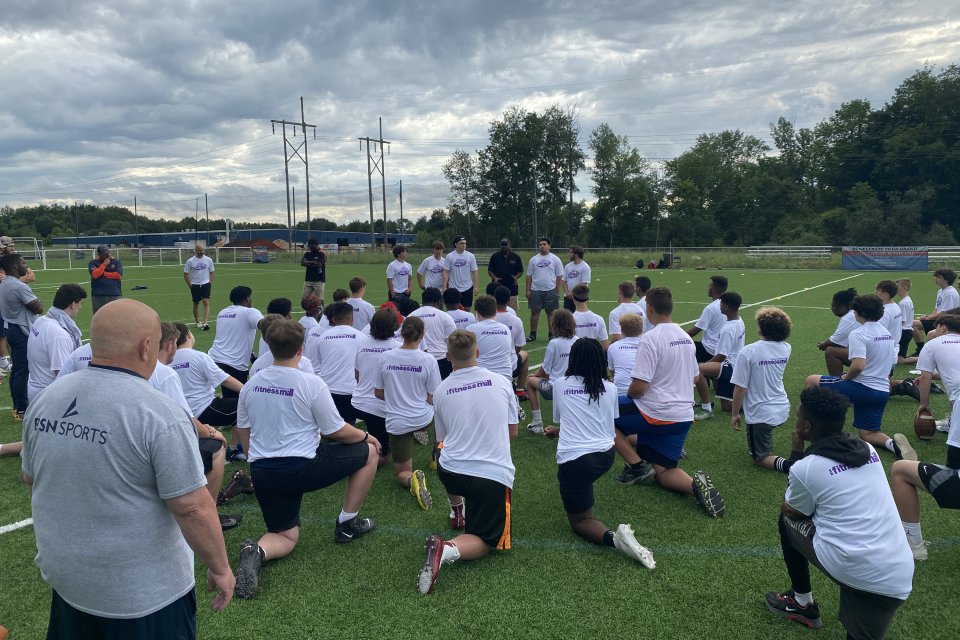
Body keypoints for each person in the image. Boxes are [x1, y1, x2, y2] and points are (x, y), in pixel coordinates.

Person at [20, 299, 234, 636]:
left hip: (68, 579)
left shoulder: (47, 399)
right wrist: (220, 568)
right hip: (141, 595)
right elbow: (192, 507)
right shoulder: (159, 413)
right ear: (147, 346)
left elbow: (32, 481)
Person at [234, 318, 380, 600]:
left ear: (268, 346)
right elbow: (335, 430)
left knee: (286, 536)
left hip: (264, 471)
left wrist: (255, 459)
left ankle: (257, 552)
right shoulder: (310, 383)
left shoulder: (251, 385)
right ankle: (346, 525)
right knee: (371, 453)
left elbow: (242, 430)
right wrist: (365, 436)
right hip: (302, 467)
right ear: (301, 349)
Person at [765, 387, 913, 637]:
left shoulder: (807, 467)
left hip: (862, 572)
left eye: (799, 417)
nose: (796, 421)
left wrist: (796, 453)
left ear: (808, 427)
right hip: (898, 571)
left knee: (786, 519)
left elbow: (791, 510)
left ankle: (803, 603)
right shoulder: (868, 450)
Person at [417, 329, 518, 595]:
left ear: (448, 356)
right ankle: (447, 548)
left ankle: (456, 508)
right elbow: (513, 432)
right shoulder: (500, 381)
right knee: (485, 541)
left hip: (451, 471)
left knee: (445, 452)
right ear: (478, 353)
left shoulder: (440, 391)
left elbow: (441, 439)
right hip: (489, 476)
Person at [612, 287, 725, 518]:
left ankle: (636, 466)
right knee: (664, 471)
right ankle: (696, 487)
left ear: (649, 308)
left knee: (603, 414)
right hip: (683, 416)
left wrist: (628, 397)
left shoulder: (650, 338)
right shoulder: (686, 338)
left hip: (654, 412)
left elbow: (638, 387)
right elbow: (695, 376)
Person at [545, 339, 655, 568]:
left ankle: (617, 540)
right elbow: (603, 421)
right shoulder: (610, 387)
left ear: (573, 359)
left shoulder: (561, 384)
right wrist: (559, 432)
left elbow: (562, 417)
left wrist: (557, 430)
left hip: (575, 460)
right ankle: (587, 501)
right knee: (584, 483)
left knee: (581, 521)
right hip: (605, 456)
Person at [151, 321, 240, 531]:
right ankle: (208, 516)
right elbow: (185, 418)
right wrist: (210, 432)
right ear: (171, 344)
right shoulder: (166, 372)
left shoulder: (145, 368)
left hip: (154, 436)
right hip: (176, 434)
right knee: (217, 447)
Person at [805, 294, 915, 460]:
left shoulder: (858, 333)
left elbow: (858, 365)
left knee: (811, 380)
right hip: (882, 392)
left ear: (857, 312)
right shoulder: (885, 333)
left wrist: (846, 377)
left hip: (863, 388)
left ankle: (814, 428)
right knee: (868, 433)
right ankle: (893, 445)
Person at [892, 313, 960, 560]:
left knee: (901, 469)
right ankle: (948, 423)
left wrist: (923, 405)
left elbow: (927, 377)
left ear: (942, 327)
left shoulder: (933, 343)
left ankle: (914, 546)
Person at [374, 316, 441, 511]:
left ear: (402, 333)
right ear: (422, 335)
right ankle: (437, 452)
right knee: (440, 412)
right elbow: (432, 396)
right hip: (423, 417)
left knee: (402, 473)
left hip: (397, 423)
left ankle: (413, 479)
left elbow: (378, 393)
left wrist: (398, 399)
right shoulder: (428, 359)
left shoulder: (385, 357)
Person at [730, 307, 795, 472]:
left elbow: (739, 388)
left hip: (761, 415)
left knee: (760, 458)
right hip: (782, 407)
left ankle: (792, 466)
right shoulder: (786, 347)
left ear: (761, 328)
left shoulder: (748, 352)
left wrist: (735, 413)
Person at [352, 308, 402, 465]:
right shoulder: (398, 348)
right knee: (385, 456)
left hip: (359, 402)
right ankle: (358, 460)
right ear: (395, 326)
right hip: (381, 407)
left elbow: (357, 375)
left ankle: (366, 440)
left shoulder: (361, 345)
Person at [0, 252, 43, 420]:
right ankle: (22, 409)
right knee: (23, 371)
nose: (26, 265)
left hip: (12, 328)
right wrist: (38, 301)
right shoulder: (17, 286)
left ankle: (17, 406)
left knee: (18, 369)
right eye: (23, 262)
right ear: (14, 266)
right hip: (21, 331)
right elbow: (37, 307)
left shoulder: (6, 283)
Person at [27, 284, 86, 401]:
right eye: (80, 304)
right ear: (73, 305)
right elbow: (62, 375)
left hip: (36, 388)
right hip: (48, 395)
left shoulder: (41, 320)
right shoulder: (59, 334)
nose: (80, 308)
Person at [308, 302, 364, 423]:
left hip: (327, 389)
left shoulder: (323, 336)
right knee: (348, 425)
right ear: (351, 318)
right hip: (351, 390)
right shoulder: (361, 337)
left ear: (333, 318)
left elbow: (321, 360)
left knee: (330, 425)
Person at [526, 310, 578, 434]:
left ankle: (537, 423)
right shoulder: (578, 340)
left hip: (555, 388)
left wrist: (536, 375)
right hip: (575, 386)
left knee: (530, 381)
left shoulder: (554, 343)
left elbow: (545, 370)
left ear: (555, 325)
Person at [694, 291, 744, 419]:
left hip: (729, 365)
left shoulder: (728, 328)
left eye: (721, 304)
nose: (719, 306)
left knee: (697, 370)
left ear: (726, 307)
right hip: (734, 363)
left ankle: (706, 408)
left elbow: (721, 356)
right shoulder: (739, 320)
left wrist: (705, 366)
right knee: (726, 406)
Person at [467, 295, 528, 395]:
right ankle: (519, 390)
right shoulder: (505, 329)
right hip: (505, 377)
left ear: (477, 313)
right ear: (495, 312)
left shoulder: (470, 329)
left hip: (479, 378)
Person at [208, 286, 263, 393]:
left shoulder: (222, 312)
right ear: (247, 299)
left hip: (214, 359)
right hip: (234, 364)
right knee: (238, 401)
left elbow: (231, 335)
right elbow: (265, 325)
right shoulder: (249, 312)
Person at [408, 287, 457, 379]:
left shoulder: (411, 316)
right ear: (439, 301)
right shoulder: (445, 316)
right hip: (442, 361)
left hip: (417, 361)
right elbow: (453, 342)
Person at [911, 267, 960, 355]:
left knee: (913, 324)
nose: (935, 279)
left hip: (946, 321)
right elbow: (937, 309)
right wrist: (927, 317)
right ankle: (921, 350)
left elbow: (944, 313)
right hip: (939, 319)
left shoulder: (950, 293)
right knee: (912, 324)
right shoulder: (941, 291)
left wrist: (927, 318)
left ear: (946, 279)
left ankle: (923, 352)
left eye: (938, 277)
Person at [525, 237, 564, 341]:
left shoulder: (555, 259)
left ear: (549, 246)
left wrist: (556, 289)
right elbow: (529, 276)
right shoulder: (533, 259)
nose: (542, 246)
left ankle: (551, 334)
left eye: (544, 244)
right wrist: (528, 290)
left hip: (551, 290)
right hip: (535, 290)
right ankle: (533, 334)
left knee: (551, 313)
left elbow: (559, 276)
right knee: (534, 313)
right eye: (540, 244)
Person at [686, 275, 728, 363]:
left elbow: (695, 331)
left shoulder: (711, 308)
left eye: (709, 286)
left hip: (710, 350)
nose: (707, 288)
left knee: (682, 347)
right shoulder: (728, 305)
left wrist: (677, 338)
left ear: (714, 289)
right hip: (723, 350)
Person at [818, 288, 858, 376]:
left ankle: (836, 382)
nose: (832, 308)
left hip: (870, 361)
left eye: (833, 305)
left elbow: (835, 341)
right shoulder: (855, 312)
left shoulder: (849, 317)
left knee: (831, 351)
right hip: (881, 359)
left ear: (841, 307)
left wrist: (823, 344)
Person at [607, 313, 643, 396]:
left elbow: (612, 371)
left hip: (620, 394)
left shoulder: (613, 347)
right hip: (642, 395)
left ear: (622, 330)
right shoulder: (647, 345)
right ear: (641, 330)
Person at [183, 244, 215, 330]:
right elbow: (185, 274)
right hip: (195, 285)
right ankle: (197, 322)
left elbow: (212, 272)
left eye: (202, 250)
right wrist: (190, 285)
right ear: (195, 250)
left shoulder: (209, 260)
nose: (201, 252)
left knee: (206, 302)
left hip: (206, 284)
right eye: (199, 250)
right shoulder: (190, 261)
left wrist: (210, 283)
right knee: (196, 304)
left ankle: (205, 322)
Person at [444, 235, 480, 311]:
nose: (464, 245)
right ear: (456, 244)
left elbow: (475, 271)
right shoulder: (449, 256)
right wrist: (445, 287)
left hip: (467, 288)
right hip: (454, 288)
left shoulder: (470, 256)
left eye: (465, 243)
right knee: (453, 310)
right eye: (461, 243)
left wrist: (476, 286)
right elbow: (446, 272)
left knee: (467, 310)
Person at [487, 237, 523, 310]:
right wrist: (494, 278)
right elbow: (490, 270)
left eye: (505, 244)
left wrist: (516, 277)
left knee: (512, 310)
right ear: (500, 245)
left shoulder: (516, 257)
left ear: (509, 245)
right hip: (497, 287)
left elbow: (520, 271)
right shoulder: (494, 257)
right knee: (495, 310)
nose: (504, 246)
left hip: (512, 286)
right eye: (502, 244)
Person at [570, 284, 609, 350]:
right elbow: (605, 346)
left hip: (575, 357)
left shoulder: (569, 320)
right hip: (593, 358)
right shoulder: (599, 319)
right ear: (588, 298)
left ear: (573, 298)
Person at [87, 244, 123, 313]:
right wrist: (104, 264)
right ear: (99, 254)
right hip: (98, 295)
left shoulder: (116, 262)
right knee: (99, 316)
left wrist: (104, 273)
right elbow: (95, 275)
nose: (106, 255)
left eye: (107, 253)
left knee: (116, 316)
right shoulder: (93, 262)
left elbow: (118, 275)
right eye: (104, 254)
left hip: (114, 294)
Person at [562, 245, 591, 313]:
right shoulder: (568, 266)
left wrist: (572, 293)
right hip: (568, 297)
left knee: (580, 317)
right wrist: (567, 293)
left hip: (580, 297)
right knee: (568, 318)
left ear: (576, 254)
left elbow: (584, 284)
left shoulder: (585, 267)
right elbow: (564, 281)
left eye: (571, 252)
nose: (569, 254)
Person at [896, 279, 917, 365]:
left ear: (904, 288)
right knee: (898, 357)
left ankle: (923, 358)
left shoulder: (903, 303)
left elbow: (901, 321)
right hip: (907, 331)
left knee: (900, 361)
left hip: (904, 332)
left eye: (897, 287)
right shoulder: (908, 300)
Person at [300, 238, 327, 304]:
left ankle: (321, 313)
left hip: (319, 280)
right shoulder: (307, 253)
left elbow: (319, 264)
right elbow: (302, 263)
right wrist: (313, 262)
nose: (310, 247)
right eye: (309, 246)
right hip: (308, 279)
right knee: (304, 299)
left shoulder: (321, 253)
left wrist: (308, 263)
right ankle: (308, 313)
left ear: (316, 245)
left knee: (319, 299)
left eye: (311, 246)